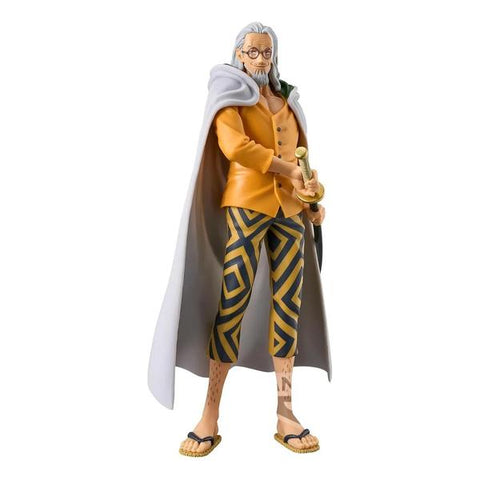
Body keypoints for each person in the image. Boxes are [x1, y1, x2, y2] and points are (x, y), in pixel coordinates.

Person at [148, 22, 332, 456]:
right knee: (233, 301)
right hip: (247, 206)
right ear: (239, 54)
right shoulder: (229, 95)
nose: (260, 59)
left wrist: (312, 199)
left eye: (266, 52)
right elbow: (236, 148)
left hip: (290, 212)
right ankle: (210, 412)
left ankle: (286, 410)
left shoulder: (287, 101)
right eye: (253, 52)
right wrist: (288, 170)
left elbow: (303, 160)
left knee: (288, 306)